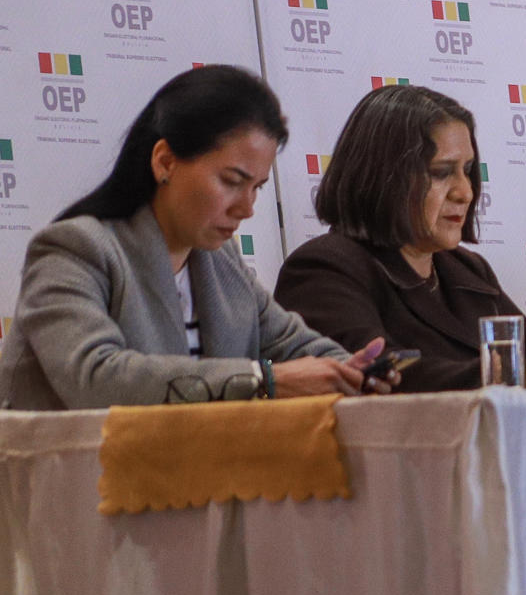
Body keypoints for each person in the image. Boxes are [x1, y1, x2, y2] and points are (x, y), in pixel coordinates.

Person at [0, 65, 384, 410]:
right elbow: (96, 379)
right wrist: (262, 380)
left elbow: (295, 345)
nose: (247, 208)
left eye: (257, 188)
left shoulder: (220, 261)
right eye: (231, 181)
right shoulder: (74, 249)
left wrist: (358, 371)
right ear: (165, 161)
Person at [275, 85, 526, 392]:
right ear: (384, 177)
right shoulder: (323, 270)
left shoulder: (468, 270)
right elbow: (381, 378)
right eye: (441, 172)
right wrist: (523, 375)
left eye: (466, 170)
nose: (465, 192)